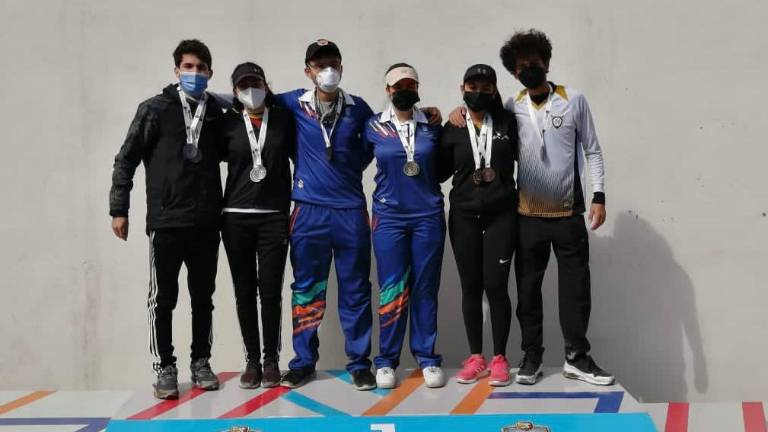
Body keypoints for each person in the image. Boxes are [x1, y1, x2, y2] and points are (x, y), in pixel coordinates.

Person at [449, 29, 613, 386]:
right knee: (527, 292)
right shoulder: (511, 107)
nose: (528, 70)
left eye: (534, 63)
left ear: (547, 63)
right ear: (513, 71)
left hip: (568, 213)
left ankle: (577, 357)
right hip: (526, 217)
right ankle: (531, 355)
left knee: (575, 290)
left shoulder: (574, 100)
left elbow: (593, 150)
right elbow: (477, 116)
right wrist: (455, 112)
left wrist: (599, 196)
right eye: (521, 67)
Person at [109, 39, 224, 399]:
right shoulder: (154, 110)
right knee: (163, 299)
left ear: (210, 72)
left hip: (206, 222)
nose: (194, 73)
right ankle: (164, 367)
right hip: (166, 221)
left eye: (200, 68)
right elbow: (126, 159)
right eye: (187, 67)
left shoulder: (216, 113)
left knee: (203, 297)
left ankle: (201, 362)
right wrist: (119, 208)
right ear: (176, 70)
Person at [365, 63, 446, 389]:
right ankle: (386, 361)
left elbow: (444, 165)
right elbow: (352, 159)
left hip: (427, 215)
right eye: (398, 86)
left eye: (410, 85)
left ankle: (427, 358)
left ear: (417, 88)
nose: (404, 90)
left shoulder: (432, 125)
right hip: (389, 217)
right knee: (392, 288)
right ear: (388, 90)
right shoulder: (372, 125)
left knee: (425, 287)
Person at [439, 64, 518, 387]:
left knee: (496, 286)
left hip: (502, 215)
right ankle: (475, 358)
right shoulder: (453, 126)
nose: (479, 93)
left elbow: (529, 159)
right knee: (470, 287)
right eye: (473, 87)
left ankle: (499, 358)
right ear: (463, 88)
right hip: (464, 216)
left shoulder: (508, 122)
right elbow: (439, 172)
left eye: (486, 88)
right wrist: (435, 118)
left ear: (494, 91)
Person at [219, 62, 295, 389]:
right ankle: (251, 360)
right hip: (235, 217)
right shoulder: (226, 123)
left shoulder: (284, 120)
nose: (251, 90)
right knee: (244, 291)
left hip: (273, 216)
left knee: (270, 291)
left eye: (256, 83)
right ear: (235, 91)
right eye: (243, 85)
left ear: (266, 85)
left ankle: (271, 360)